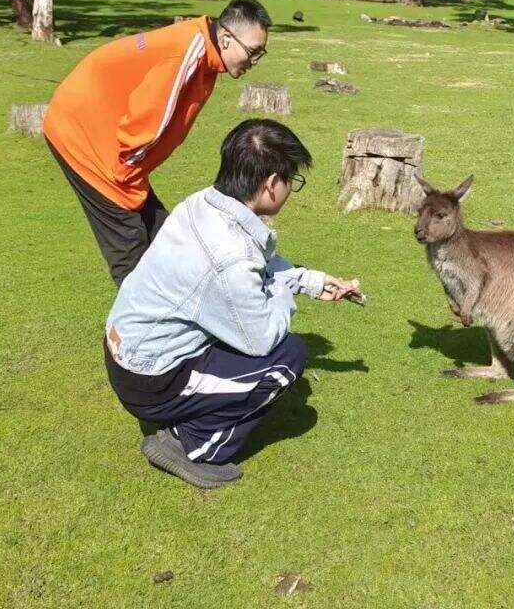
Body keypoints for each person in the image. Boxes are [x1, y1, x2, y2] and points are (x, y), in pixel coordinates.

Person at [103, 119, 360, 488]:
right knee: (286, 357)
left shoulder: (203, 203)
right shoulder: (230, 257)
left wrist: (310, 281)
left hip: (123, 350)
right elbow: (261, 338)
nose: (290, 190)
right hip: (149, 380)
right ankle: (190, 444)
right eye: (292, 181)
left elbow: (261, 262)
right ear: (272, 184)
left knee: (246, 334)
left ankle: (188, 413)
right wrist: (286, 296)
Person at [43, 0, 272, 285]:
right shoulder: (187, 54)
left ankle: (175, 320)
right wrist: (126, 182)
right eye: (252, 52)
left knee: (164, 238)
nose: (254, 62)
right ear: (226, 38)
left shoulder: (207, 54)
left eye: (260, 54)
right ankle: (131, 326)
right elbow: (150, 122)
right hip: (83, 137)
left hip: (110, 143)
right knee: (133, 253)